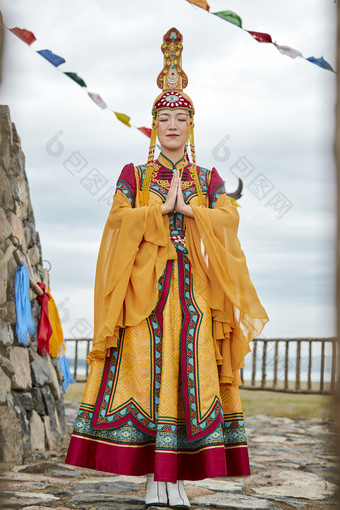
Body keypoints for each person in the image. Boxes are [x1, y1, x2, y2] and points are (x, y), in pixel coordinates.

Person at [65, 27, 269, 509]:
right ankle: (154, 479)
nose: (173, 125)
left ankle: (175, 477)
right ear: (154, 126)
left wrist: (190, 208)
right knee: (145, 376)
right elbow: (117, 220)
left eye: (181, 117)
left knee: (188, 376)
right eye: (165, 117)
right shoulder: (133, 175)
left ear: (191, 126)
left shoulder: (206, 178)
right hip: (142, 294)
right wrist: (159, 211)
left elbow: (229, 216)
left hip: (195, 292)